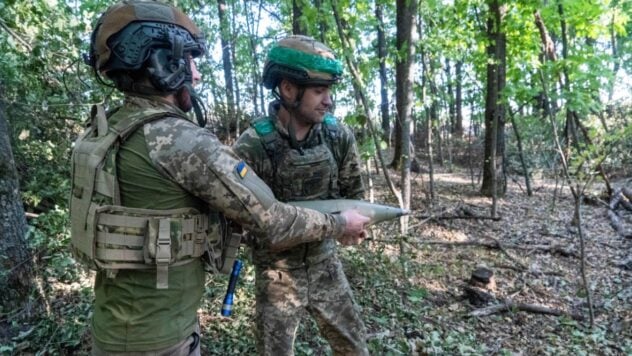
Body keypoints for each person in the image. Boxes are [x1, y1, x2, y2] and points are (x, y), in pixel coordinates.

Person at [70, 2, 369, 354]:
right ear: (166, 65)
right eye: (190, 63)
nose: (196, 76)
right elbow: (270, 219)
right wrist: (339, 224)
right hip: (158, 340)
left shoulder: (104, 131)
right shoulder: (180, 140)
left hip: (116, 330)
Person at [233, 35, 369, 356]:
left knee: (354, 347)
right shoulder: (253, 146)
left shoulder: (337, 136)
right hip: (277, 272)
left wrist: (357, 226)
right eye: (319, 91)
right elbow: (246, 219)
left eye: (329, 91)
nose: (328, 101)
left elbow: (355, 196)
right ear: (288, 89)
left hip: (325, 264)